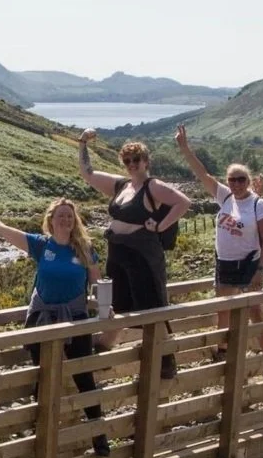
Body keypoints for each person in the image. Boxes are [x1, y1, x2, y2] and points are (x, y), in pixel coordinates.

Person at [0, 198, 110, 457]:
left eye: (69, 217)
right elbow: (1, 228)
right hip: (43, 319)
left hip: (76, 318)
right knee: (43, 378)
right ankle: (43, 438)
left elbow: (97, 284)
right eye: (60, 216)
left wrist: (108, 307)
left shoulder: (85, 248)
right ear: (51, 220)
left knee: (84, 377)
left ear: (75, 221)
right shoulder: (41, 245)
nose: (65, 220)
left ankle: (99, 436)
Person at [77, 130, 192, 379]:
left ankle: (167, 361)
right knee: (118, 304)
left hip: (142, 256)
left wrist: (160, 226)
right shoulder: (121, 185)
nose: (131, 165)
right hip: (118, 252)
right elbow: (87, 174)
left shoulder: (153, 187)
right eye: (127, 161)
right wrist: (83, 143)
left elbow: (183, 202)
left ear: (146, 161)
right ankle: (104, 348)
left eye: (136, 160)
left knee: (152, 307)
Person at [174, 125, 263, 380]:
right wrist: (185, 149)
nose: (237, 184)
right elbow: (202, 174)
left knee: (256, 314)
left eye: (241, 179)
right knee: (223, 311)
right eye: (232, 179)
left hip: (248, 265)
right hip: (224, 264)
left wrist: (260, 270)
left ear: (249, 181)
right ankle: (224, 356)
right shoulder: (225, 197)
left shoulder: (257, 203)